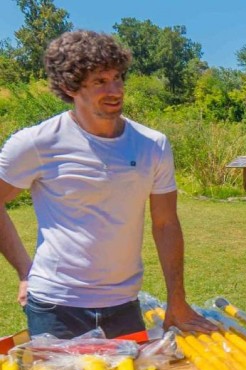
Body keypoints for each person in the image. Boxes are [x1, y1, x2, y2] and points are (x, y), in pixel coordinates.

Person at [0, 30, 215, 340]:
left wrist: (177, 300)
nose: (115, 90)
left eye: (117, 78)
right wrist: (25, 270)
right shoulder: (36, 143)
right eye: (100, 82)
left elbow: (166, 223)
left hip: (124, 305)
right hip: (55, 307)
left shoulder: (152, 145)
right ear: (68, 87)